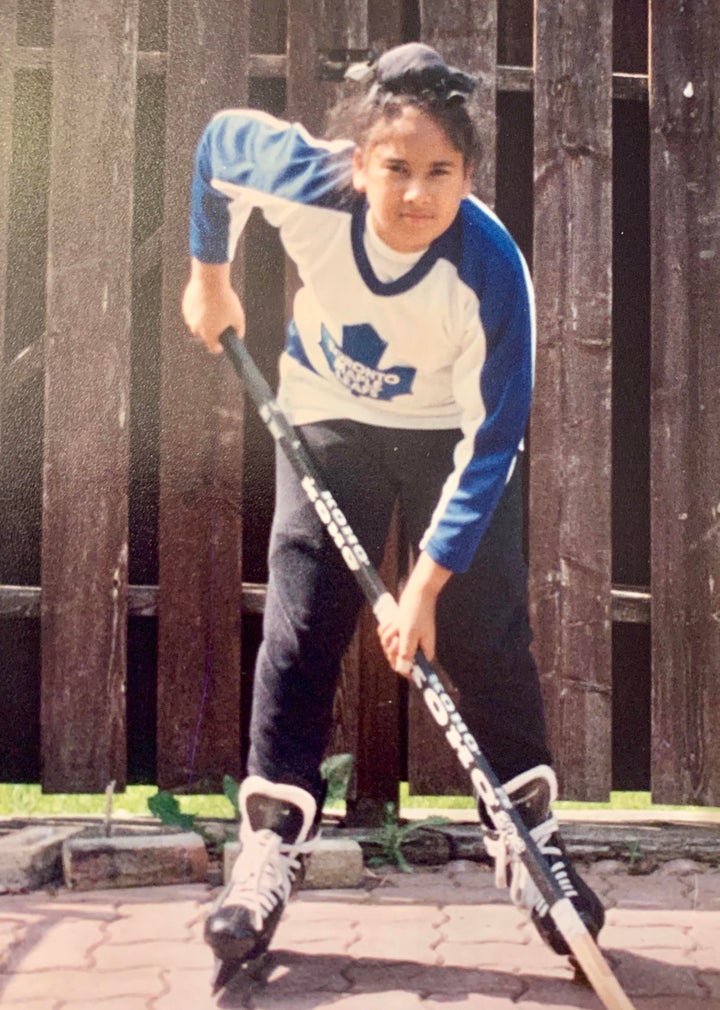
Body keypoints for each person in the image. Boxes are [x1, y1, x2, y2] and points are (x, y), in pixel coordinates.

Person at [182, 42, 605, 968]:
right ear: (360, 161)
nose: (416, 193)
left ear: (468, 174)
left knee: (488, 631)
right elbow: (217, 148)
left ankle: (530, 844)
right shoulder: (307, 182)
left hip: (450, 435)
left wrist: (425, 588)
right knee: (302, 623)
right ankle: (269, 848)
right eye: (396, 169)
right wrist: (209, 279)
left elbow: (493, 442)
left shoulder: (491, 270)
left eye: (440, 172)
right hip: (330, 413)